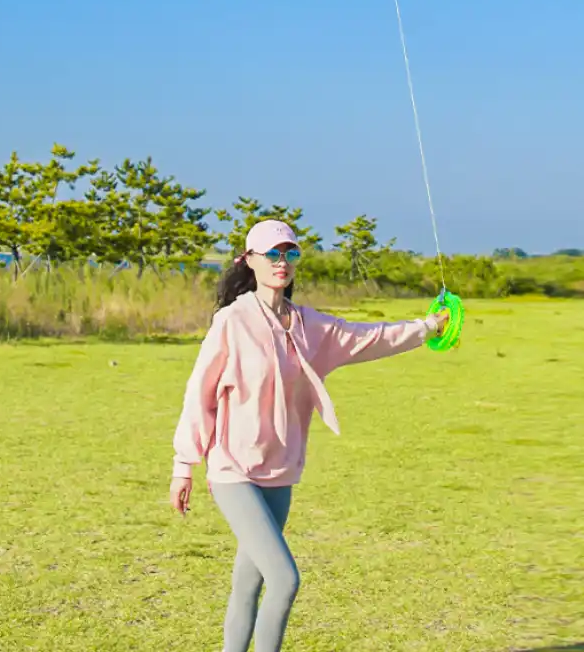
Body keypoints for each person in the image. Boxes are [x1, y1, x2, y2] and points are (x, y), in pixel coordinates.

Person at [169, 219, 450, 652]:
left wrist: (428, 326)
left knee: (249, 580)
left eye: (290, 253)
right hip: (233, 469)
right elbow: (199, 392)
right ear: (250, 261)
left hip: (281, 469)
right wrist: (183, 466)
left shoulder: (308, 325)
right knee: (284, 579)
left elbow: (370, 338)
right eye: (272, 254)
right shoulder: (232, 321)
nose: (282, 262)